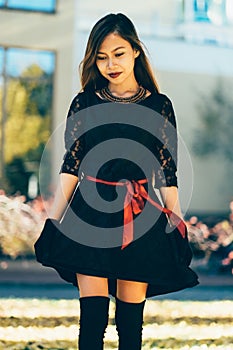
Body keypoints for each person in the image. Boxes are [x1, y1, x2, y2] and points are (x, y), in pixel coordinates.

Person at [45, 13, 199, 350]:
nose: (110, 64)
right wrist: (54, 219)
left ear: (135, 52)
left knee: (130, 330)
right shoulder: (84, 102)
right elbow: (71, 166)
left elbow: (166, 171)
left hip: (140, 218)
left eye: (118, 53)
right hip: (90, 216)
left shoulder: (159, 106)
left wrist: (176, 220)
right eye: (101, 57)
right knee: (92, 324)